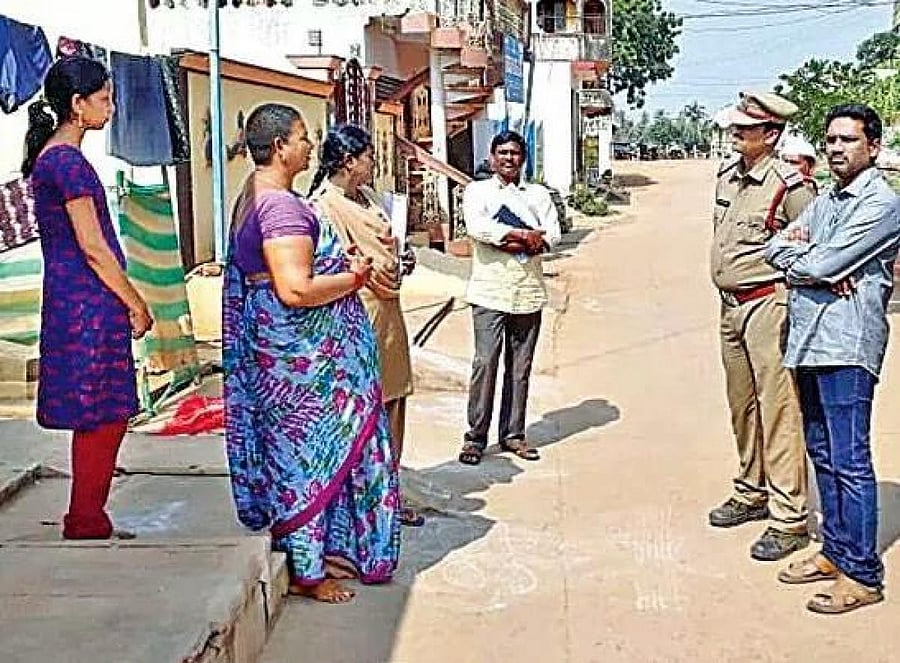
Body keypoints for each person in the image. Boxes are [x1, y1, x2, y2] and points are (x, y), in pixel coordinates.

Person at [223, 104, 400, 604]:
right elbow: (296, 289)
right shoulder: (279, 206)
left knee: (299, 454)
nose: (310, 145)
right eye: (303, 137)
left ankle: (324, 553)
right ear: (280, 147)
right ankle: (309, 569)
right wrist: (354, 278)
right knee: (306, 456)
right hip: (299, 361)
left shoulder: (254, 193)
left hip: (283, 352)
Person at [766, 104, 900, 614]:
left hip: (847, 343)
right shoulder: (826, 200)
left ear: (873, 147)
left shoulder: (881, 204)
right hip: (809, 340)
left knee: (849, 458)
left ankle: (862, 574)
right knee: (822, 451)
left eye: (848, 139)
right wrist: (812, 265)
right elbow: (777, 247)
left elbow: (825, 262)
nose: (836, 148)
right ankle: (835, 551)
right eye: (831, 139)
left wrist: (815, 263)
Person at [21, 56, 153, 540]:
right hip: (88, 301)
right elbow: (93, 246)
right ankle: (85, 518)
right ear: (77, 105)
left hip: (76, 296)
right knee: (103, 412)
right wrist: (135, 302)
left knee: (101, 411)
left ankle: (88, 515)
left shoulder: (56, 159)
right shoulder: (66, 163)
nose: (111, 108)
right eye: (104, 99)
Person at [708, 91, 817, 561]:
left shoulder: (790, 186)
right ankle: (750, 489)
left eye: (745, 128)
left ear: (771, 134)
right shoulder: (728, 175)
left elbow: (813, 250)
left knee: (779, 409)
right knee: (742, 405)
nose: (735, 133)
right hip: (730, 306)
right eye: (735, 126)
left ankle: (789, 516)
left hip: (768, 305)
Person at [308, 124, 423, 527]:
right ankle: (359, 502)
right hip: (357, 315)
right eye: (369, 157)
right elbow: (334, 265)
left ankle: (389, 490)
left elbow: (389, 247)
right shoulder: (323, 207)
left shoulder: (370, 198)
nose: (374, 163)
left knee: (394, 399)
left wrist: (401, 259)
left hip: (389, 311)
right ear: (348, 161)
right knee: (360, 407)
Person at [457, 130, 561, 466]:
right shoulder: (477, 191)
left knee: (520, 368)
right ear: (492, 158)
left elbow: (553, 235)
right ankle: (475, 438)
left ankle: (513, 434)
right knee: (485, 363)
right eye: (502, 152)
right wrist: (520, 235)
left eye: (514, 153)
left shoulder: (538, 194)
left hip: (528, 292)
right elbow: (479, 229)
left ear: (523, 158)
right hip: (489, 292)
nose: (508, 158)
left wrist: (523, 241)